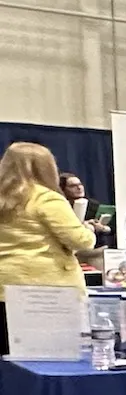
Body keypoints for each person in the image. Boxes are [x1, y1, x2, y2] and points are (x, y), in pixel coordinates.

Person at [0, 143, 95, 351]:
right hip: (45, 294)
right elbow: (80, 241)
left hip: (4, 289)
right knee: (44, 358)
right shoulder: (45, 198)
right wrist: (87, 229)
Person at [59, 171, 113, 247]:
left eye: (80, 184)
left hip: (93, 246)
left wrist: (101, 227)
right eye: (73, 186)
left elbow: (109, 229)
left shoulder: (93, 204)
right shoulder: (60, 206)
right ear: (63, 189)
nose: (79, 188)